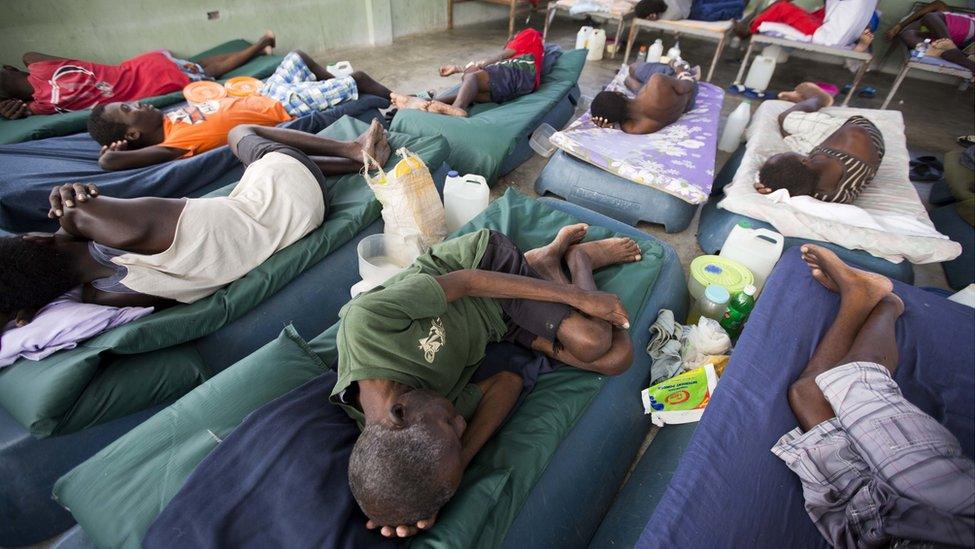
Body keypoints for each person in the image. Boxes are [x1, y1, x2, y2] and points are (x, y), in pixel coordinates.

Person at [336, 224, 642, 538]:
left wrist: (578, 298)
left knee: (592, 341)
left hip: (484, 269)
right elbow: (507, 383)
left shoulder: (366, 326)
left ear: (400, 413)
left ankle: (581, 259)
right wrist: (451, 471)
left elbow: (468, 282)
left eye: (450, 424)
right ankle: (546, 265)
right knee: (616, 358)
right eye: (459, 435)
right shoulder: (413, 435)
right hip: (499, 325)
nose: (461, 423)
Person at [0, 119, 390, 326]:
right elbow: (78, 221)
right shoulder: (88, 216)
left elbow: (68, 257)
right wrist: (67, 220)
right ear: (35, 240)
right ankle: (352, 151)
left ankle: (350, 163)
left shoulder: (106, 297)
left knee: (248, 178)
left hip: (292, 218)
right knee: (240, 133)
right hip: (288, 195)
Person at [773, 244, 975, 547]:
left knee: (806, 394)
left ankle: (869, 297)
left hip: (886, 533)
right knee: (856, 386)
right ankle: (883, 303)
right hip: (952, 519)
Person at [87, 50, 393, 171]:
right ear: (132, 132)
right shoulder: (172, 145)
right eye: (128, 109)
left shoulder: (170, 117)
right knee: (359, 79)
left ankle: (336, 90)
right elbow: (112, 164)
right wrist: (113, 156)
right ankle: (398, 101)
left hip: (265, 91)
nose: (138, 103)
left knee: (298, 57)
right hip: (282, 107)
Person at [0, 32, 276, 120]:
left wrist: (21, 107)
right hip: (139, 68)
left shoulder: (42, 105)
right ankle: (259, 46)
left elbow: (28, 108)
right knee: (201, 64)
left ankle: (258, 47)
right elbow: (28, 56)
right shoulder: (39, 65)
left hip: (147, 85)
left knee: (208, 69)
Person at [755, 82, 884, 204]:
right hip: (855, 136)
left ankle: (812, 101)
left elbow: (783, 190)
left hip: (842, 138)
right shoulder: (854, 139)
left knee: (787, 127)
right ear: (805, 161)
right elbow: (854, 129)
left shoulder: (813, 190)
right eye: (784, 154)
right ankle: (816, 99)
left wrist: (771, 186)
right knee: (787, 124)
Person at [389, 28, 545, 117]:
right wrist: (458, 68)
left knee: (471, 77)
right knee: (471, 89)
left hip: (520, 74)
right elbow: (480, 68)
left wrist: (479, 66)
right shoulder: (520, 60)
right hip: (514, 86)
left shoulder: (529, 33)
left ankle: (457, 110)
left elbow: (499, 56)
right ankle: (422, 103)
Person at [590, 59, 700, 134]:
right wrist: (680, 68)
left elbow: (618, 117)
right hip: (687, 89)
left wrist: (608, 124)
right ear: (619, 93)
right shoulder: (657, 82)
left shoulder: (633, 128)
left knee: (628, 81)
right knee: (633, 68)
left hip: (686, 106)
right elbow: (688, 86)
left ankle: (628, 80)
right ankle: (690, 70)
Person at [732, 0, 877, 50]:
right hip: (838, 32)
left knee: (782, 6)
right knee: (811, 11)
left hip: (825, 35)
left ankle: (749, 30)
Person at [898, 10, 975, 74]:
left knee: (929, 17)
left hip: (962, 30)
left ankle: (949, 48)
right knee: (907, 35)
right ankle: (952, 51)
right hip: (948, 40)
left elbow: (933, 11)